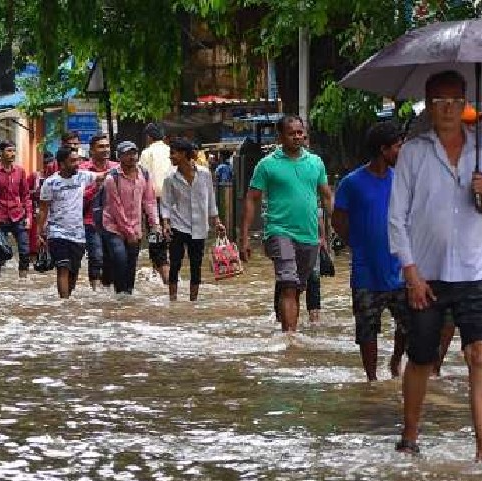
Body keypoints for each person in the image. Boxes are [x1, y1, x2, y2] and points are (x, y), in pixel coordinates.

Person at [388, 70, 482, 463]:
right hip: (427, 273)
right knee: (422, 356)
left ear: (465, 105)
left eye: (454, 101)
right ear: (429, 105)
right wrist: (410, 273)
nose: (447, 108)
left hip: (478, 270)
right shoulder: (413, 151)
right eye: (439, 101)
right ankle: (410, 437)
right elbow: (396, 217)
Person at [239, 116, 332, 334]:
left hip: (308, 235)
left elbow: (326, 197)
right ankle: (290, 340)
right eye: (292, 133)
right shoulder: (267, 165)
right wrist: (244, 238)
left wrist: (333, 231)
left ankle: (287, 330)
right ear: (280, 137)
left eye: (300, 132)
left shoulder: (315, 163)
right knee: (289, 285)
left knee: (297, 288)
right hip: (278, 231)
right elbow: (252, 199)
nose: (297, 137)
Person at [332, 122, 407, 381]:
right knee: (367, 329)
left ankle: (396, 361)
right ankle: (371, 379)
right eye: (398, 147)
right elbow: (338, 219)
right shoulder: (351, 183)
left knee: (409, 324)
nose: (402, 151)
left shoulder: (400, 180)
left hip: (399, 267)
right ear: (383, 149)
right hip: (366, 270)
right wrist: (356, 243)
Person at [160, 137, 224, 302]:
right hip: (178, 226)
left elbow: (210, 200)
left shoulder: (204, 174)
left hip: (199, 227)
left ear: (183, 154)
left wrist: (216, 221)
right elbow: (166, 204)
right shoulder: (170, 178)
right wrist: (166, 224)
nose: (171, 157)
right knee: (175, 264)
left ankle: (193, 301)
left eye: (173, 153)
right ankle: (173, 300)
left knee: (196, 266)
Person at [101, 141, 160, 295]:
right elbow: (116, 208)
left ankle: (128, 295)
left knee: (132, 264)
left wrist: (155, 224)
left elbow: (149, 201)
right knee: (120, 258)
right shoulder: (112, 178)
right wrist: (129, 232)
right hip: (114, 226)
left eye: (133, 153)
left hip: (135, 226)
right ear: (119, 157)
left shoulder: (145, 174)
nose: (132, 157)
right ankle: (120, 294)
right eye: (127, 154)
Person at [37, 146, 96, 299]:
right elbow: (43, 209)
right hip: (57, 233)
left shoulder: (83, 176)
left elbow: (102, 176)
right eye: (73, 161)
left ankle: (68, 299)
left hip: (78, 234)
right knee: (63, 267)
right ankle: (64, 303)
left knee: (74, 271)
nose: (77, 164)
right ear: (62, 164)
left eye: (78, 160)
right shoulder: (50, 183)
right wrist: (39, 233)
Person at [0, 141, 31, 282]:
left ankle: (23, 280)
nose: (12, 154)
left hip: (18, 215)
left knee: (24, 250)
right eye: (9, 151)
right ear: (1, 153)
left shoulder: (20, 171)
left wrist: (28, 216)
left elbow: (25, 195)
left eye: (13, 151)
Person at [79, 133, 118, 290]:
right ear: (92, 150)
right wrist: (97, 185)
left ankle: (107, 288)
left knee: (112, 257)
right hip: (90, 219)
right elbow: (79, 197)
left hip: (114, 221)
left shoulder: (117, 168)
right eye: (101, 146)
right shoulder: (83, 171)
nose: (105, 149)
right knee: (96, 256)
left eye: (107, 146)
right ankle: (94, 290)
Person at [139, 123, 172, 285]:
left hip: (154, 205)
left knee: (156, 243)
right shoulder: (171, 151)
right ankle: (161, 277)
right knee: (167, 243)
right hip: (175, 205)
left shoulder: (147, 153)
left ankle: (167, 282)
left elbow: (141, 180)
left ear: (149, 137)